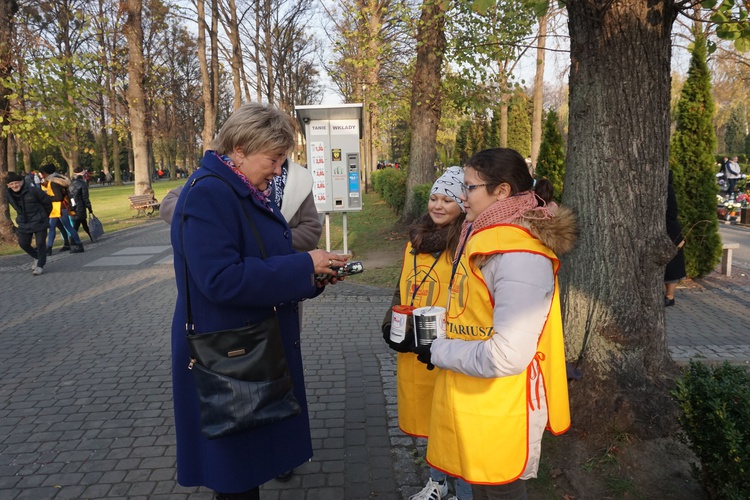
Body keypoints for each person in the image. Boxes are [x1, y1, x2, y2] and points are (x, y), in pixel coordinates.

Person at [170, 102, 347, 500]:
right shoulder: (209, 194)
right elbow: (221, 279)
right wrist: (303, 264)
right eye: (274, 158)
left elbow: (261, 260)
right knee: (236, 476)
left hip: (249, 350)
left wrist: (311, 276)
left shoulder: (240, 188)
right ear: (240, 150)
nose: (279, 169)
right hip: (229, 356)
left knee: (245, 470)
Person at [413, 148, 576, 500]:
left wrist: (438, 349)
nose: (461, 196)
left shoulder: (519, 255)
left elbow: (507, 355)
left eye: (469, 188)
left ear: (501, 191)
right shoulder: (485, 237)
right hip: (479, 399)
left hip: (503, 406)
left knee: (500, 490)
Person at [382, 166, 472, 500]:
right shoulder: (415, 240)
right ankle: (437, 482)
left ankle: (465, 488)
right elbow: (402, 287)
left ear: (462, 204)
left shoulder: (466, 243)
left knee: (455, 420)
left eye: (447, 199)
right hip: (415, 347)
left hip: (451, 346)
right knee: (431, 417)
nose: (438, 205)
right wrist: (390, 324)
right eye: (434, 197)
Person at [161, 159, 322, 253]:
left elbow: (311, 231)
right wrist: (210, 219)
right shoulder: (224, 178)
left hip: (285, 278)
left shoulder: (299, 178)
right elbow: (170, 202)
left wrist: (262, 237)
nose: (277, 171)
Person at [5, 172, 52, 275]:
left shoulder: (33, 190)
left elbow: (47, 202)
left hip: (39, 220)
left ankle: (40, 265)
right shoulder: (8, 194)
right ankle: (36, 257)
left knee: (40, 243)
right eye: (11, 184)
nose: (14, 186)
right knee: (23, 243)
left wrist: (44, 216)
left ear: (21, 182)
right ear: (8, 186)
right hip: (24, 222)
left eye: (16, 183)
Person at [39, 164, 84, 254]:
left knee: (67, 226)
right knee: (52, 228)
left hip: (59, 207)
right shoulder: (57, 179)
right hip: (56, 208)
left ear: (45, 173)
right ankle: (49, 248)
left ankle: (79, 244)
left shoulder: (53, 182)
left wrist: (46, 197)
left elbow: (58, 197)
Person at [664, 170, 686, 307]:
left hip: (671, 231)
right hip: (668, 229)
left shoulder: (667, 190)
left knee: (672, 265)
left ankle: (670, 296)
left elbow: (671, 213)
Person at [68, 167, 94, 242]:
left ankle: (91, 236)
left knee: (82, 222)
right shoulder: (82, 183)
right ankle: (72, 239)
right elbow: (85, 197)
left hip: (72, 204)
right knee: (78, 223)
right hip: (80, 205)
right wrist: (89, 207)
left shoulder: (70, 183)